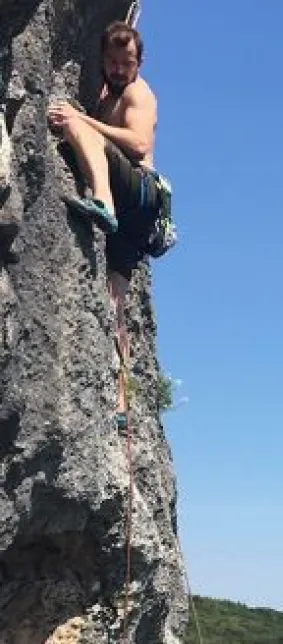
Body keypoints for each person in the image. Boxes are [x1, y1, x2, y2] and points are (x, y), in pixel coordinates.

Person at [47, 21, 163, 433]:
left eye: (126, 63)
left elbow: (138, 145)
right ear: (102, 60)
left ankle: (102, 202)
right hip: (136, 219)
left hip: (139, 192)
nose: (118, 69)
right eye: (112, 62)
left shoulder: (138, 93)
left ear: (139, 62)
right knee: (115, 298)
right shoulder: (105, 93)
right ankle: (120, 405)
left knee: (76, 126)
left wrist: (83, 119)